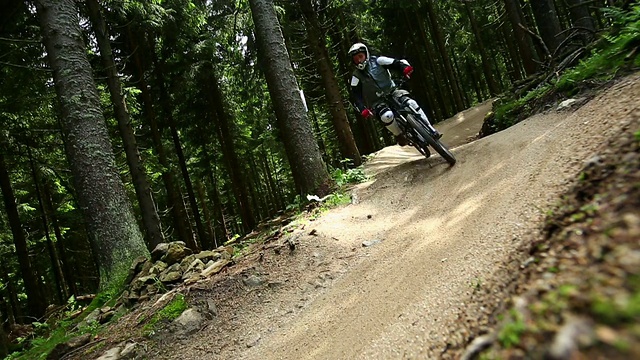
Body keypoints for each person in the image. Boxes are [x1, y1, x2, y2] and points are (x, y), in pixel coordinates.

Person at [348, 42, 441, 146]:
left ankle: (431, 129)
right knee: (387, 116)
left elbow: (396, 63)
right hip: (377, 102)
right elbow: (356, 95)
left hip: (393, 91)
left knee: (412, 103)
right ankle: (399, 135)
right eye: (356, 59)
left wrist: (405, 68)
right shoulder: (356, 76)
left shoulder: (378, 61)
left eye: (360, 56)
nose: (359, 60)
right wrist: (362, 109)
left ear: (366, 54)